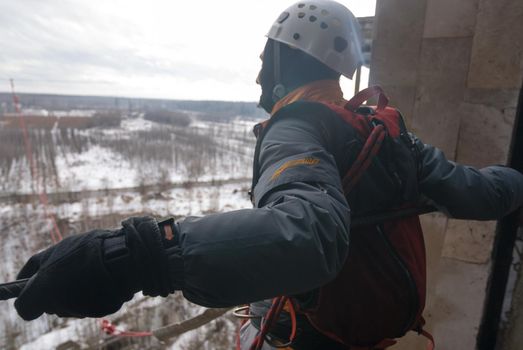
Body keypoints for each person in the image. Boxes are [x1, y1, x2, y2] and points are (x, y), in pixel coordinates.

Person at [13, 1, 523, 349]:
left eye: (265, 57)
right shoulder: (388, 134)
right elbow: (483, 194)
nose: (258, 73)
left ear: (286, 57)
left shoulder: (295, 130)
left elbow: (309, 236)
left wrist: (135, 256)